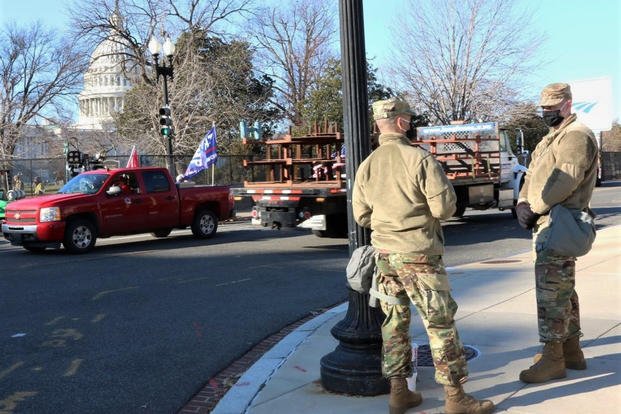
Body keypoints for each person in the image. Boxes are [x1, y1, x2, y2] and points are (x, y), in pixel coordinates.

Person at [352, 97, 494, 414]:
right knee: (439, 324)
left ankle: (399, 392)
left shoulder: (367, 165)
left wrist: (387, 221)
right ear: (402, 122)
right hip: (419, 256)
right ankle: (456, 397)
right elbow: (444, 209)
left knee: (394, 324)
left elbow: (361, 216)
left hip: (385, 256)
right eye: (409, 119)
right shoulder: (420, 160)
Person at [516, 83, 598, 383]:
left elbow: (566, 179)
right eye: (545, 109)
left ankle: (553, 358)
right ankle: (571, 350)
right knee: (562, 288)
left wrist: (535, 206)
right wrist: (522, 201)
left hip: (559, 221)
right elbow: (532, 173)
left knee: (551, 291)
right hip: (549, 220)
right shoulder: (553, 138)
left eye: (553, 108)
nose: (547, 113)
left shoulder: (577, 136)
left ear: (568, 104)